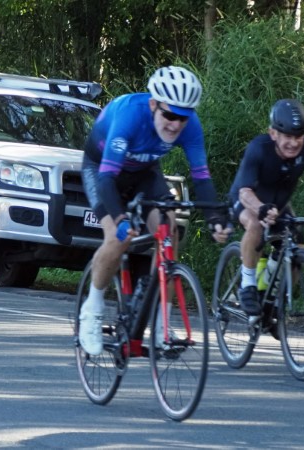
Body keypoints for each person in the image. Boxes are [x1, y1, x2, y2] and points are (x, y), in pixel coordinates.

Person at [78, 66, 231, 356]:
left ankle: (162, 324)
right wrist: (120, 219)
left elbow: (201, 177)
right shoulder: (129, 115)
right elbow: (107, 179)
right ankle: (92, 310)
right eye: (170, 115)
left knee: (169, 231)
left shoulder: (190, 126)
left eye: (183, 118)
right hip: (102, 171)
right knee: (117, 237)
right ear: (153, 105)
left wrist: (214, 219)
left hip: (144, 173)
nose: (176, 125)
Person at [229, 99, 304, 317]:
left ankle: (275, 300)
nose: (294, 143)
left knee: (297, 249)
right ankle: (247, 285)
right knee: (256, 224)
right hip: (247, 200)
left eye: (299, 136)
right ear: (273, 133)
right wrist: (261, 208)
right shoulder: (259, 148)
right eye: (288, 136)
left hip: (279, 206)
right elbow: (244, 191)